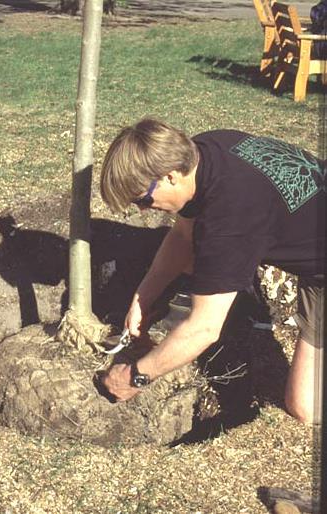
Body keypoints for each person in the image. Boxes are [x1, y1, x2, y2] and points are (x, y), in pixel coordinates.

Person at [99, 118, 325, 424]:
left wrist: (135, 377)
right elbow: (182, 237)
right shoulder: (205, 150)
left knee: (305, 407)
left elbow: (204, 328)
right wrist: (143, 297)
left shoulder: (230, 221)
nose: (142, 210)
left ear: (168, 176)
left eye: (143, 199)